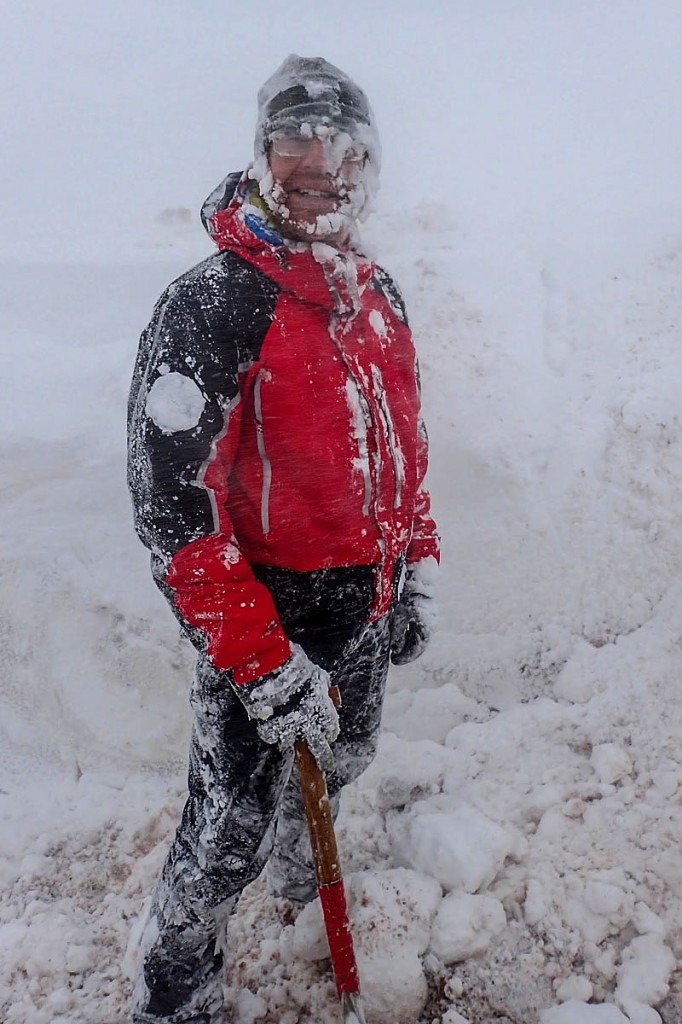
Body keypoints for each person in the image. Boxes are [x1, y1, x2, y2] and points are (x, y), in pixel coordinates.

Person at [126, 54, 440, 1024]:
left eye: (339, 139)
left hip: (365, 598)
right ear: (262, 156)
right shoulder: (214, 301)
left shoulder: (373, 290)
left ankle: (309, 882)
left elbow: (402, 444)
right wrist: (262, 665)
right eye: (293, 137)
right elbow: (174, 507)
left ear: (368, 163)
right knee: (228, 827)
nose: (318, 158)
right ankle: (173, 995)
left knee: (343, 758)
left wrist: (412, 569)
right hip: (268, 612)